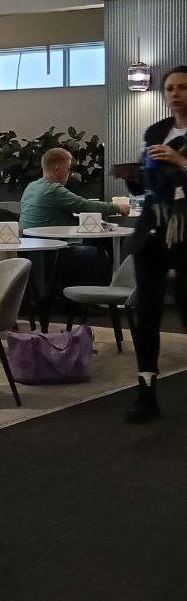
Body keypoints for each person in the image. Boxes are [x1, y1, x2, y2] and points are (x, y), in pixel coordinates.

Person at [122, 66, 187, 423]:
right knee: (146, 314)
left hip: (185, 231)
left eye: (183, 88)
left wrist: (180, 161)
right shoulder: (157, 130)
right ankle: (146, 392)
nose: (175, 94)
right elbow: (148, 182)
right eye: (170, 88)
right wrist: (134, 177)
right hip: (152, 231)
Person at [20, 148, 127, 229]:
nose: (70, 173)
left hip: (30, 243)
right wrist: (117, 207)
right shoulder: (53, 190)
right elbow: (84, 206)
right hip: (52, 245)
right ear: (57, 169)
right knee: (96, 247)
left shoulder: (31, 186)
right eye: (68, 169)